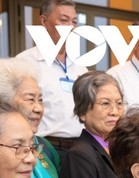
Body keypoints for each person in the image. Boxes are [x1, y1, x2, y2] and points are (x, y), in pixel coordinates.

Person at [15, 0, 87, 154]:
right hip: (45, 148)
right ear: (44, 21)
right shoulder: (24, 63)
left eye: (74, 21)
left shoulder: (81, 66)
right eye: (63, 20)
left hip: (81, 148)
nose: (70, 27)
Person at [0, 59, 63, 178]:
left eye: (40, 100)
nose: (39, 108)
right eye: (30, 99)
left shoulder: (44, 147)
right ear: (5, 103)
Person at [60, 71, 124, 178]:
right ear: (83, 111)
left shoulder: (124, 148)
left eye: (119, 103)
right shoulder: (80, 156)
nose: (114, 111)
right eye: (105, 104)